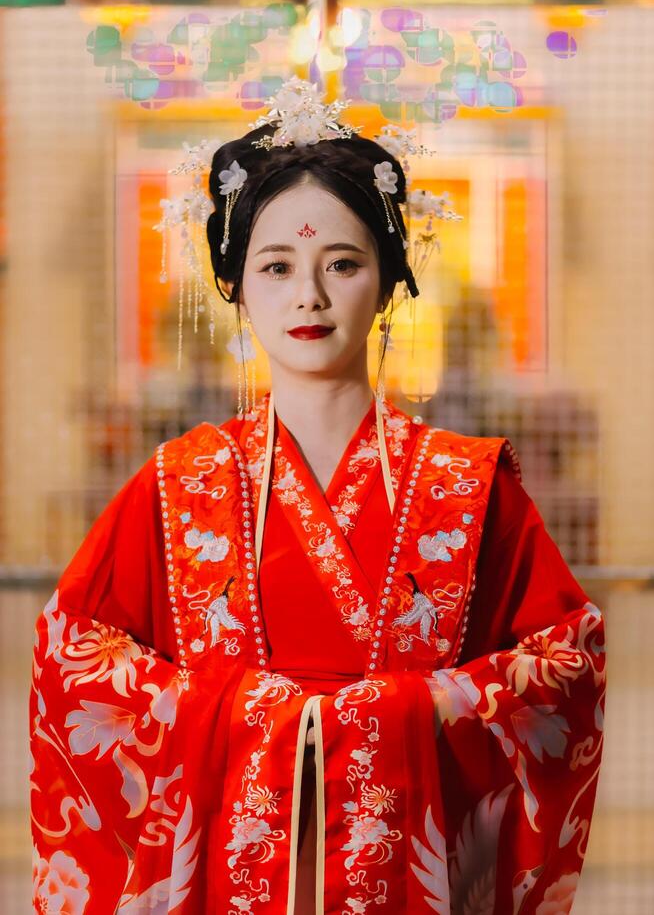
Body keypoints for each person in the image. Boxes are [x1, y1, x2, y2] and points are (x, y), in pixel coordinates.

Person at [29, 80, 606, 914]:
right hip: (232, 870)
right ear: (233, 285)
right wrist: (235, 714)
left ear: (389, 281)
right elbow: (71, 653)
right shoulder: (176, 486)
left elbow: (568, 657)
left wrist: (423, 707)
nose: (309, 295)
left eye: (342, 263)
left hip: (409, 862)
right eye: (276, 266)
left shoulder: (468, 486)